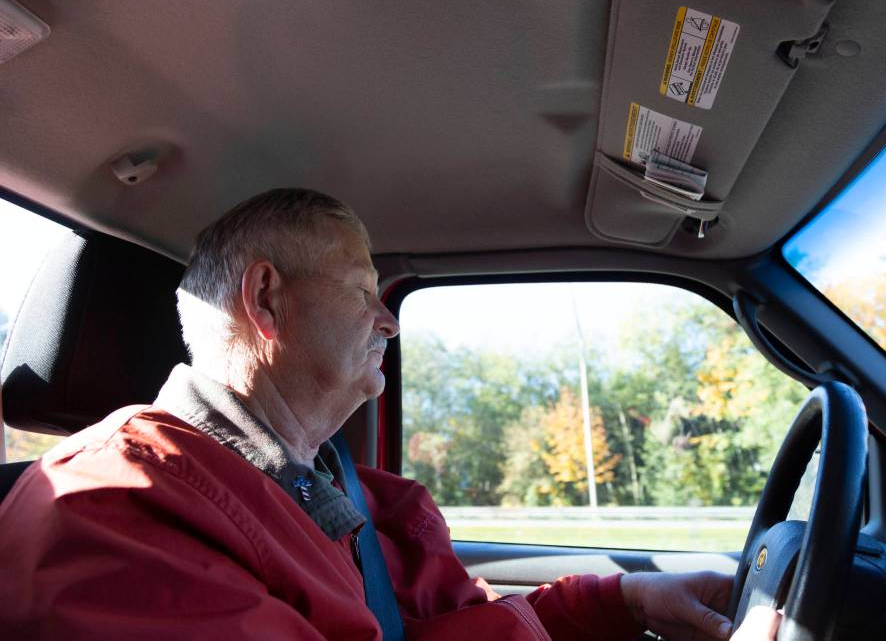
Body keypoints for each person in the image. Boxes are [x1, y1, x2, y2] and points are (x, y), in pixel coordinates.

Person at [0, 188, 779, 640]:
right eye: (361, 289)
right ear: (267, 299)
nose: (389, 320)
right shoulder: (113, 504)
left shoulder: (345, 496)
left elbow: (442, 628)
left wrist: (626, 600)